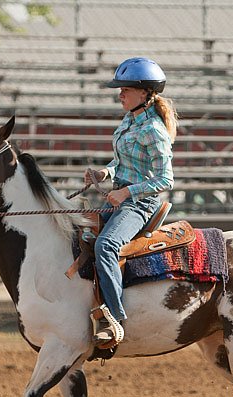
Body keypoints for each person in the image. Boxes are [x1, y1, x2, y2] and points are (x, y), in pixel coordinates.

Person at [84, 57, 178, 347]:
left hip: (140, 204)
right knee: (81, 234)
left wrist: (126, 193)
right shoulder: (129, 119)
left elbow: (166, 180)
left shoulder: (154, 131)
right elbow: (123, 162)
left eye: (124, 89)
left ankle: (115, 319)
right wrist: (106, 172)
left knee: (106, 245)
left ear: (144, 93)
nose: (119, 94)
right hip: (122, 199)